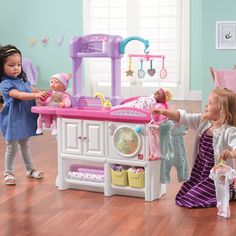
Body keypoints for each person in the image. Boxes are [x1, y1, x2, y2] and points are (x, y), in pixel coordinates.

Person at [151, 87, 236, 208]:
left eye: (210, 103)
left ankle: (229, 192)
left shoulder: (229, 131)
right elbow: (183, 117)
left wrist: (231, 154)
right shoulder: (204, 121)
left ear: (222, 110)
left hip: (217, 178)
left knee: (190, 199)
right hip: (200, 171)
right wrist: (164, 112)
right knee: (182, 195)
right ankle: (222, 192)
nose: (206, 105)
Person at [0, 45, 48, 185]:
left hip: (24, 119)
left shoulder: (23, 81)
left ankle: (30, 169)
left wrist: (41, 95)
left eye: (19, 64)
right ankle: (8, 173)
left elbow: (32, 90)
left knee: (26, 145)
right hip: (12, 120)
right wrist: (35, 94)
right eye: (11, 65)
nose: (16, 68)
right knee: (12, 147)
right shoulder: (5, 84)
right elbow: (19, 95)